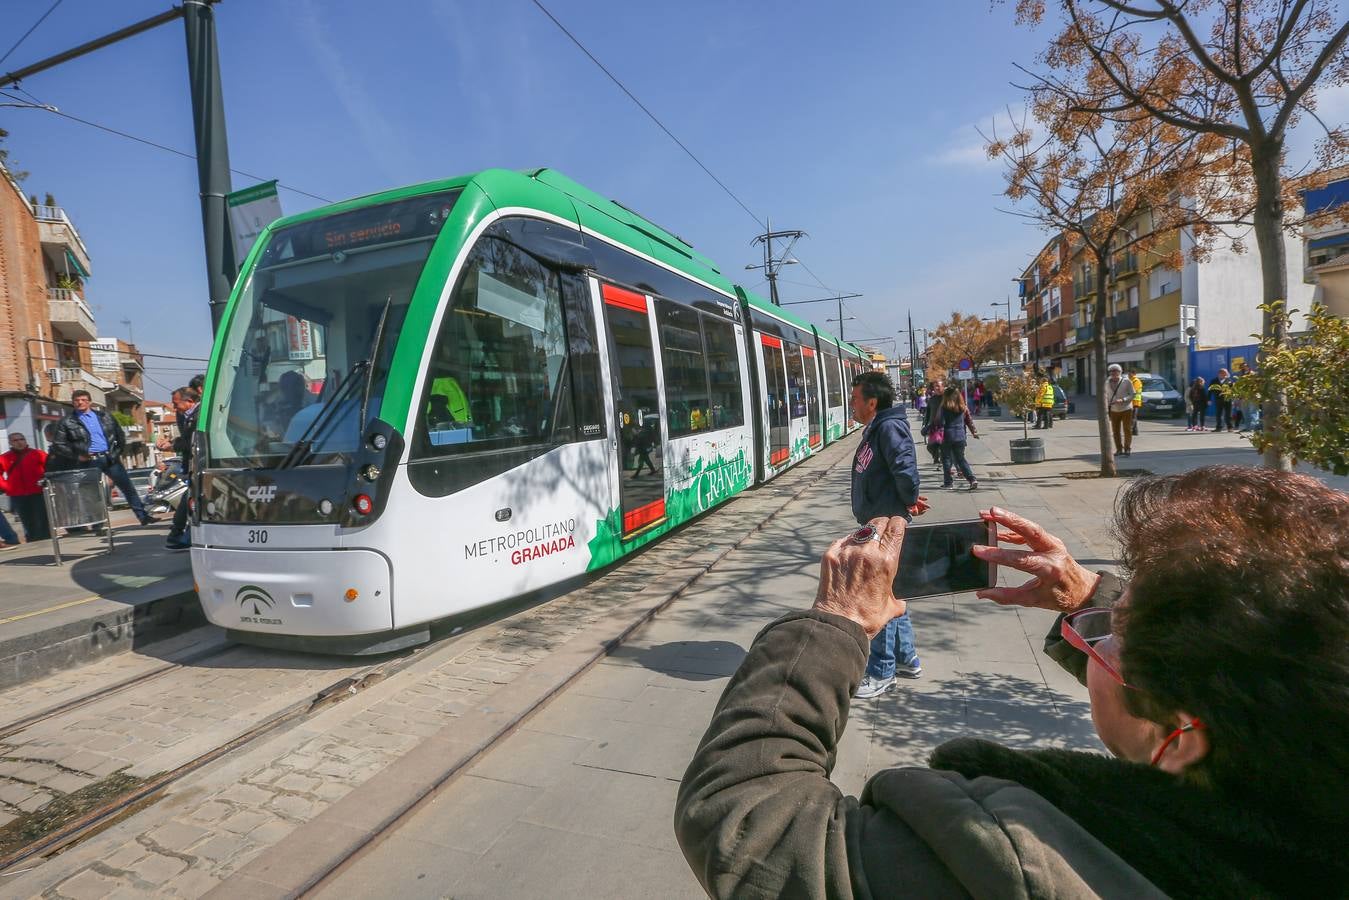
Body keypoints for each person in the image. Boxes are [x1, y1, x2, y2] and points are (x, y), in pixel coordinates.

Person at [676, 467, 1349, 898]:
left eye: (1108, 638)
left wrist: (836, 622)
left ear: (1178, 738)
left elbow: (745, 822)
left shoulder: (1011, 862)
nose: (1093, 638)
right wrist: (1090, 598)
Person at [848, 371, 927, 699]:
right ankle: (906, 656)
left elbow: (905, 466)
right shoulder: (879, 428)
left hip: (886, 525)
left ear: (872, 401)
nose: (851, 404)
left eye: (854, 399)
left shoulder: (888, 427)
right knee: (892, 593)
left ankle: (882, 671)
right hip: (880, 520)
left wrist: (907, 499)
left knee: (879, 596)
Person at [50, 390, 153, 526]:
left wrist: (116, 453)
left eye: (83, 400)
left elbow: (120, 436)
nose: (80, 402)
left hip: (109, 458)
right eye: (77, 400)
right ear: (73, 402)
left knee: (128, 487)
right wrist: (77, 456)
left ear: (90, 402)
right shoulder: (67, 422)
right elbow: (59, 444)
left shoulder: (105, 416)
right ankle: (97, 523)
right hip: (88, 461)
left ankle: (143, 516)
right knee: (92, 494)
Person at [157, 388, 198, 550]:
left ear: (189, 402)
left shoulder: (199, 416)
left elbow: (192, 441)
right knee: (189, 500)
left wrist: (172, 445)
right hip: (193, 465)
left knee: (190, 501)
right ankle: (180, 536)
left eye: (176, 404)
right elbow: (188, 439)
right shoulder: (189, 416)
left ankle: (180, 536)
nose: (175, 408)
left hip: (199, 465)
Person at [1, 432, 50, 542]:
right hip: (18, 494)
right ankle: (32, 540)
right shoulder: (5, 457)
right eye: (15, 440)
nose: (19, 442)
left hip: (38, 492)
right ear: (10, 443)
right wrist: (6, 486)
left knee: (42, 519)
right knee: (27, 520)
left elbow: (50, 468)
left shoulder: (38, 453)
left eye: (21, 439)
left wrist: (45, 482)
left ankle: (46, 539)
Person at [938, 385, 979, 490]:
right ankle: (972, 479)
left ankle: (948, 482)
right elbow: (969, 420)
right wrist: (974, 432)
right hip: (960, 436)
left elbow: (941, 423)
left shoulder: (944, 408)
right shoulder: (963, 407)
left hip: (947, 436)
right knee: (961, 459)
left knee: (946, 459)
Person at [1104, 363, 1135, 456]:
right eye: (1112, 371)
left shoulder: (1126, 381)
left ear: (1120, 372)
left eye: (1116, 371)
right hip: (1114, 409)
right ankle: (1119, 449)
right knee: (1115, 431)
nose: (1113, 373)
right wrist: (1107, 403)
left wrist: (1123, 399)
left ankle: (1127, 449)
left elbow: (1133, 394)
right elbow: (1105, 395)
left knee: (1127, 429)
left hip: (1126, 408)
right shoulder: (1106, 383)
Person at [920, 381, 944, 471]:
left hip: (944, 426)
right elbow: (928, 413)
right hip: (933, 427)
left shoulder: (947, 399)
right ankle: (937, 456)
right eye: (935, 386)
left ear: (943, 386)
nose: (936, 388)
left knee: (942, 445)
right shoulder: (932, 400)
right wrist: (925, 424)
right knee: (930, 446)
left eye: (938, 386)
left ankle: (943, 462)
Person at [1208, 368, 1235, 432]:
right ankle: (1218, 427)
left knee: (1228, 414)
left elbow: (1233, 390)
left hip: (1228, 400)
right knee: (1218, 414)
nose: (1225, 375)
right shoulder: (1214, 381)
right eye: (1223, 373)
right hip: (1218, 400)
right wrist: (1208, 399)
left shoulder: (1229, 381)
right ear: (1219, 374)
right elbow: (1210, 391)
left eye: (1226, 374)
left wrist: (1234, 399)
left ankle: (1230, 427)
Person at [1128, 369, 1144, 437]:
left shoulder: (1136, 381)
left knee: (1133, 417)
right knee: (1133, 417)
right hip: (1132, 401)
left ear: (1133, 374)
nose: (1128, 375)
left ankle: (1131, 430)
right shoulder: (1131, 380)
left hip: (1135, 402)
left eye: (1129, 374)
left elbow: (1133, 391)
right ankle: (1135, 431)